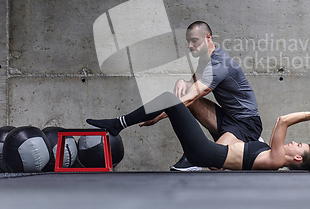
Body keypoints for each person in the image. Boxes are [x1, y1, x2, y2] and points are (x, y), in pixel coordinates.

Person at [89, 21, 263, 171]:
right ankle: (119, 124)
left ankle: (252, 144)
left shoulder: (220, 64)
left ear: (208, 37)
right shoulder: (206, 59)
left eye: (194, 41)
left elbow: (189, 98)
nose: (190, 46)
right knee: (185, 99)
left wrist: (159, 115)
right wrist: (181, 82)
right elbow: (189, 90)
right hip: (227, 118)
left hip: (246, 124)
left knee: (214, 164)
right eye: (188, 41)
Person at [87, 91, 310, 171]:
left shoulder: (276, 160)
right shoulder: (267, 153)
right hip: (209, 154)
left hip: (205, 151)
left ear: (297, 158)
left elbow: (282, 121)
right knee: (172, 102)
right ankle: (117, 124)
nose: (293, 142)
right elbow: (233, 148)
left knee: (171, 100)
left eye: (298, 145)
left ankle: (117, 124)